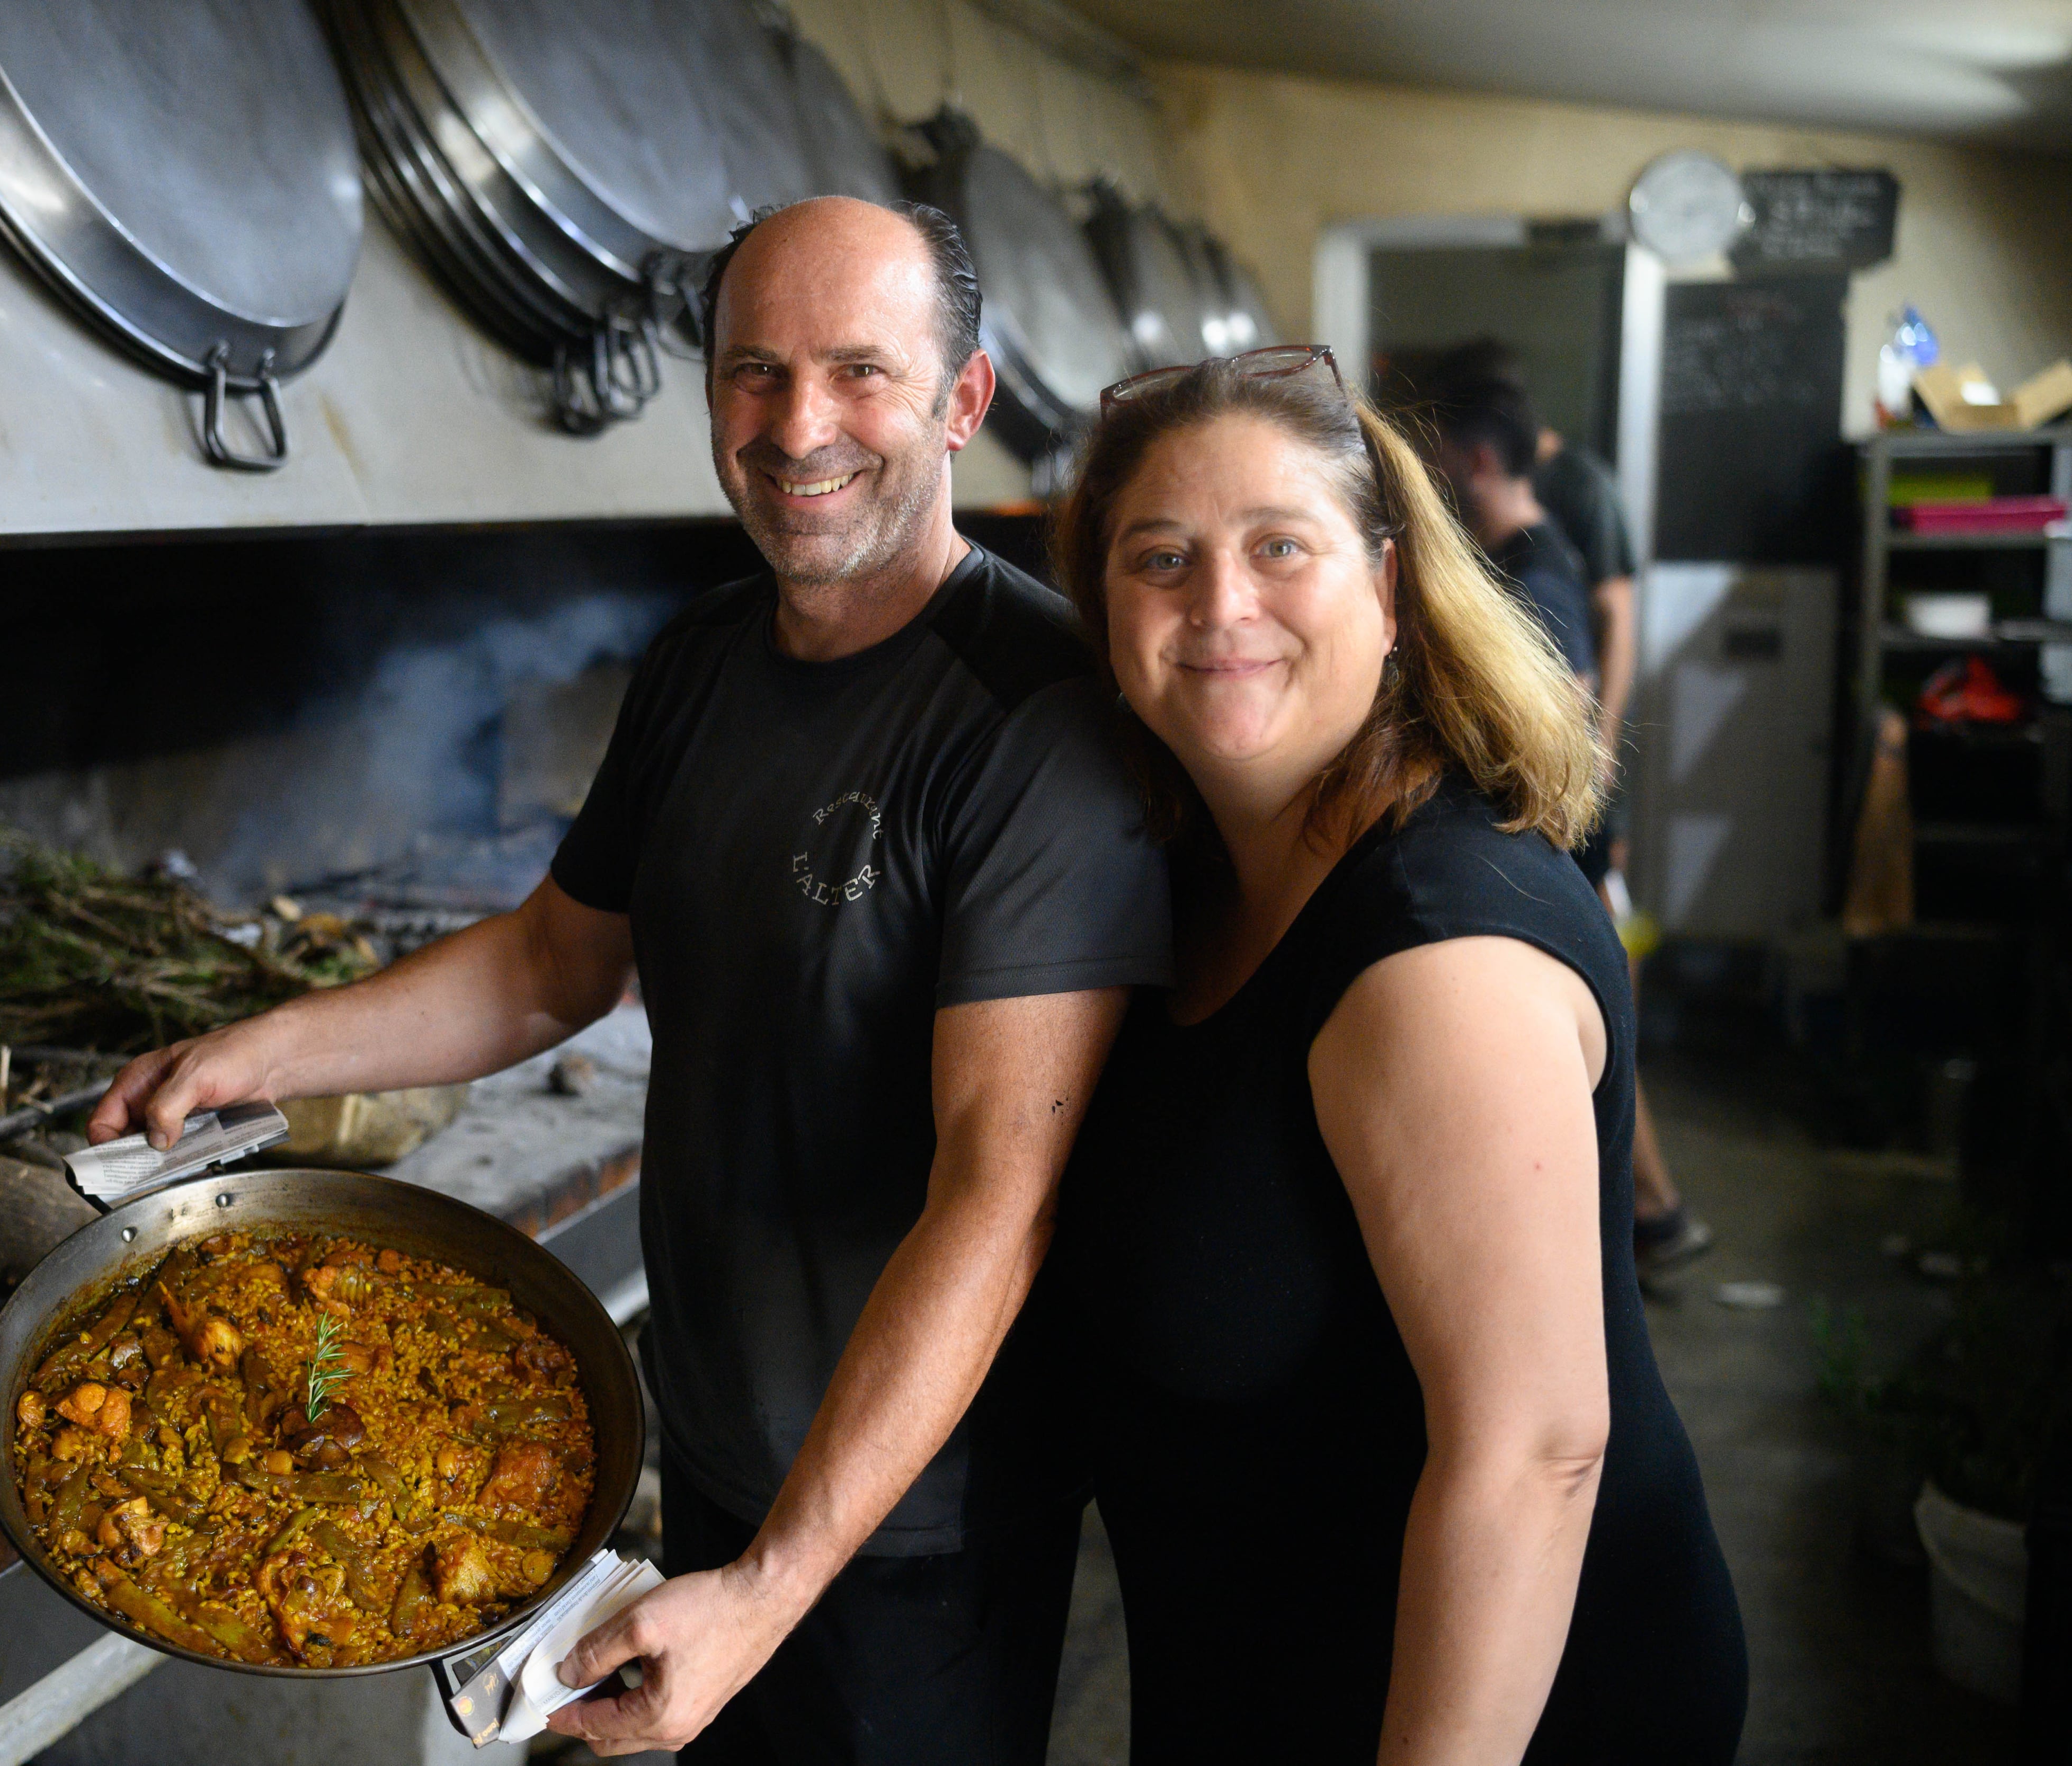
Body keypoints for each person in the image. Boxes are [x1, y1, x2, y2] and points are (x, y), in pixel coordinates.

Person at [87, 196, 1171, 1762]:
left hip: (910, 1515)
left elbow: (1000, 1198)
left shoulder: (1035, 721)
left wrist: (779, 1578)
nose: (799, 425)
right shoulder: (704, 660)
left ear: (965, 402)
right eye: (754, 371)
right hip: (716, 1431)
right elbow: (554, 962)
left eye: (861, 371)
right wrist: (260, 1052)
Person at [1055, 347, 1747, 1762]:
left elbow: (1533, 1455)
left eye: (1279, 546)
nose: (1220, 603)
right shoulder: (1198, 875)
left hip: (1497, 1713)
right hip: (1269, 1667)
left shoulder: (1438, 949)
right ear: (1103, 610)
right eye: (1162, 556)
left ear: (1387, 585)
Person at [1427, 370, 1712, 1275]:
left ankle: (1657, 1218)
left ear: (1475, 459)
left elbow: (1566, 717)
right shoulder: (1516, 559)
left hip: (1555, 848)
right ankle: (1652, 1221)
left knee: (1585, 1046)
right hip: (1559, 846)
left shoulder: (1536, 572)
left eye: (1436, 456)